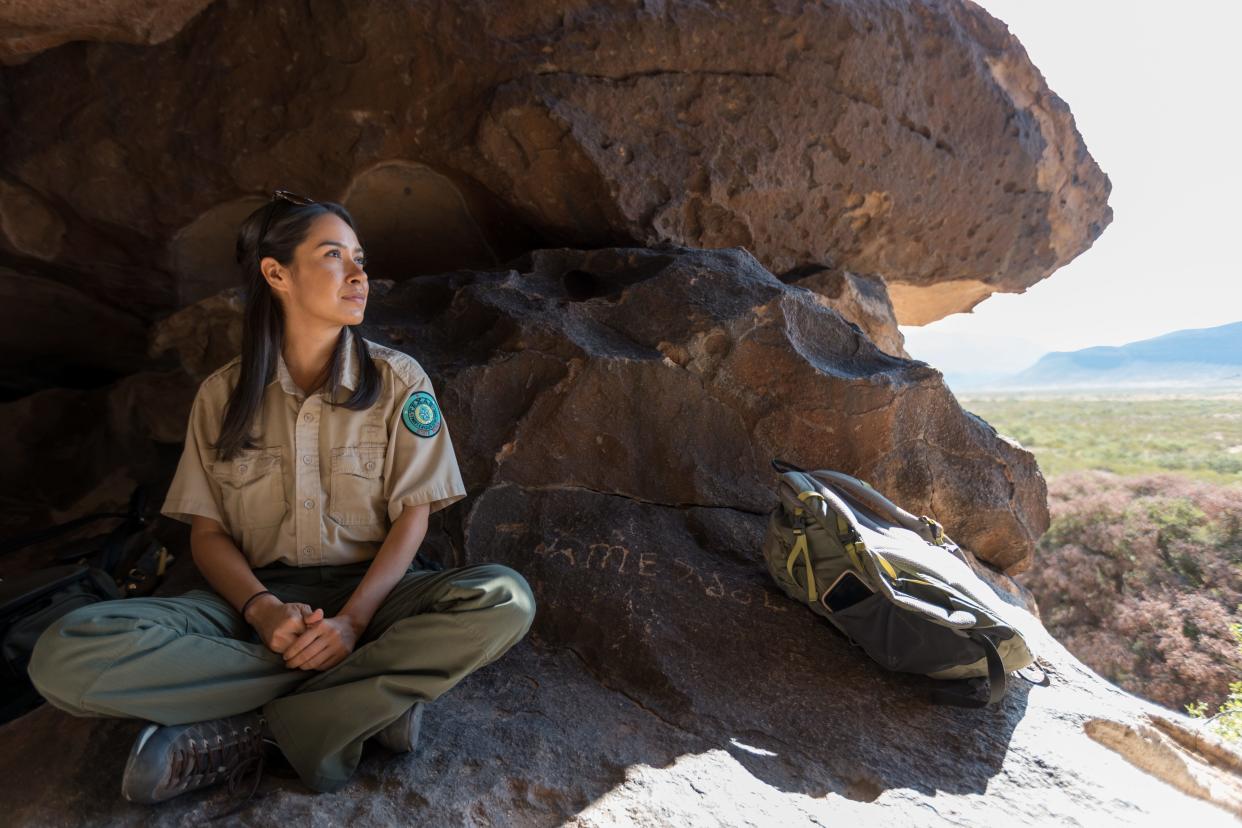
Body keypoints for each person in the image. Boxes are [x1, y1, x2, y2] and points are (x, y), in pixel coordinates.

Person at [26, 190, 536, 816]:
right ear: (277, 274)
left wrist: (350, 624)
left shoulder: (400, 381)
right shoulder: (221, 396)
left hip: (373, 602)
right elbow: (207, 536)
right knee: (63, 653)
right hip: (251, 610)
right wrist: (265, 612)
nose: (359, 275)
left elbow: (414, 516)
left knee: (504, 599)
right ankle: (361, 708)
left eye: (360, 259)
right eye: (332, 255)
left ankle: (258, 729)